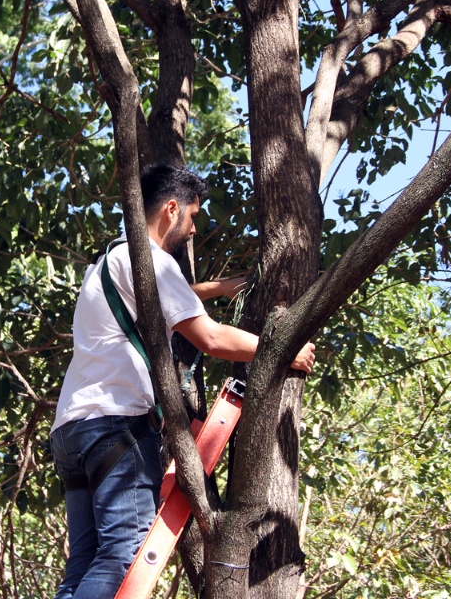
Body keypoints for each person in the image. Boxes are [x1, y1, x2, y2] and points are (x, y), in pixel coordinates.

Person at [50, 162, 316, 599]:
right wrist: (282, 347)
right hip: (115, 427)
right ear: (171, 209)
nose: (193, 230)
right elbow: (210, 338)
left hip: (72, 431)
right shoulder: (150, 260)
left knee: (84, 561)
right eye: (192, 216)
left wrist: (218, 288)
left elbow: (161, 298)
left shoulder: (107, 262)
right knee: (121, 555)